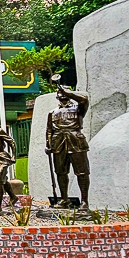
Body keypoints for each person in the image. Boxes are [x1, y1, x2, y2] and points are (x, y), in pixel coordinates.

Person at [46, 79, 91, 212]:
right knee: (60, 172)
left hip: (75, 141)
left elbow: (84, 100)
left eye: (64, 92)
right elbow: (49, 130)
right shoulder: (52, 112)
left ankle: (84, 201)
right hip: (58, 143)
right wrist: (48, 144)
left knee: (82, 172)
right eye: (60, 92)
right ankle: (64, 199)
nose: (62, 94)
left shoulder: (78, 108)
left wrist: (70, 93)